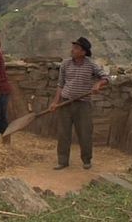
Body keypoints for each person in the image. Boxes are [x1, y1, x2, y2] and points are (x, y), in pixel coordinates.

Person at [49, 37, 109, 170]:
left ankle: (86, 160)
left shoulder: (91, 65)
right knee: (63, 133)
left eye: (76, 48)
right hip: (65, 102)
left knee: (85, 133)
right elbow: (60, 84)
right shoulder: (65, 64)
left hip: (83, 104)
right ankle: (62, 161)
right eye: (73, 47)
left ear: (83, 52)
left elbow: (105, 78)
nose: (73, 50)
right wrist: (55, 102)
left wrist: (98, 84)